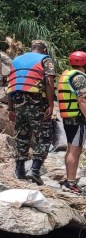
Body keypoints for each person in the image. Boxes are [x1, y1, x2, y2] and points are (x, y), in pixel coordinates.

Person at [6, 40, 56, 184]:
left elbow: (11, 84)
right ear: (44, 50)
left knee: (22, 136)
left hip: (18, 103)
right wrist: (51, 105)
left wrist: (10, 108)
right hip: (37, 103)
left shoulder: (16, 60)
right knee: (44, 137)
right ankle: (35, 170)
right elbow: (49, 82)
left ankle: (20, 171)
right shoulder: (45, 59)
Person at [57, 51, 86, 192]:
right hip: (76, 118)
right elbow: (81, 99)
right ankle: (71, 183)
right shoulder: (79, 77)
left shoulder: (67, 74)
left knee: (70, 148)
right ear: (84, 64)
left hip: (68, 117)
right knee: (75, 150)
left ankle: (68, 179)